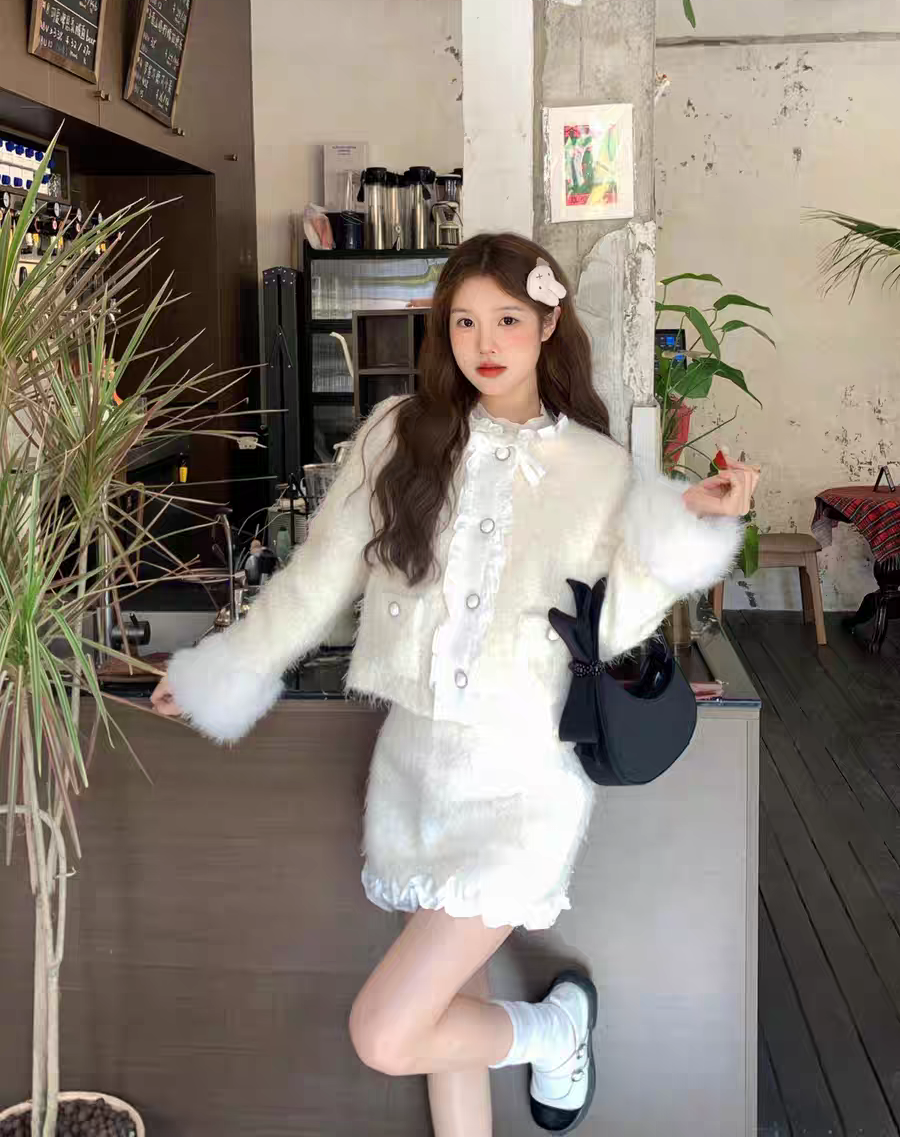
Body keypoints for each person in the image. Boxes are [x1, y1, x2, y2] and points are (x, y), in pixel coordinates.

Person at [151, 232, 759, 1135]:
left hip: (523, 778)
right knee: (444, 1017)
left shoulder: (598, 468)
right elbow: (319, 579)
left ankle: (556, 1031)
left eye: (508, 319)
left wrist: (687, 526)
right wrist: (227, 669)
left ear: (548, 324)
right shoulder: (398, 434)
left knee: (386, 1033)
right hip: (414, 769)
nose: (485, 342)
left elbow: (613, 626)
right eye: (465, 321)